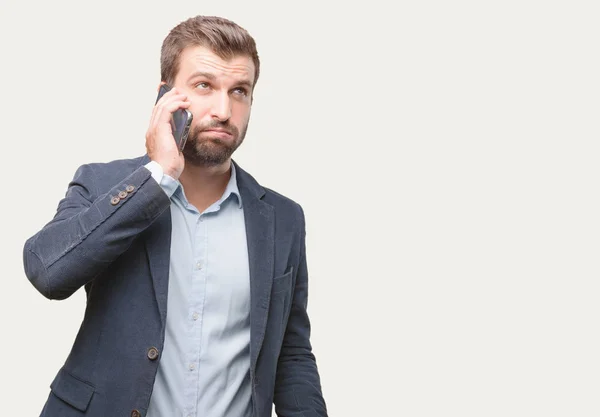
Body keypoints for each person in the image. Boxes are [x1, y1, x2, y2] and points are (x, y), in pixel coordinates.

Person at [23, 15, 327, 417]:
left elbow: (291, 353)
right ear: (165, 96)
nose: (223, 110)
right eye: (204, 86)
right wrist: (158, 178)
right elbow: (47, 271)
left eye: (240, 91)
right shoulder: (104, 184)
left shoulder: (284, 218)